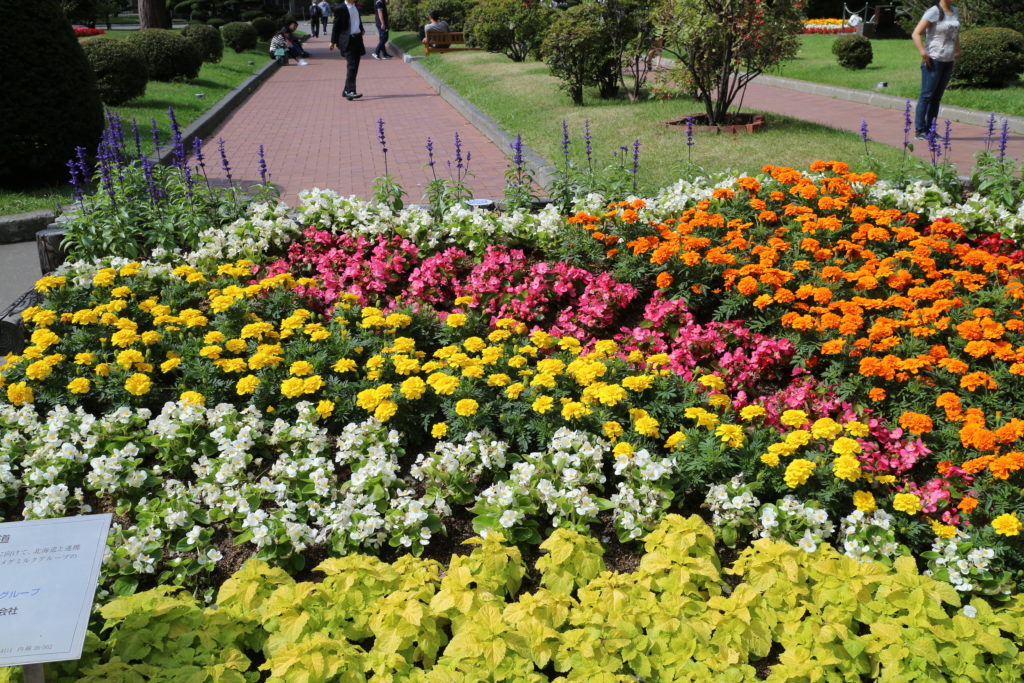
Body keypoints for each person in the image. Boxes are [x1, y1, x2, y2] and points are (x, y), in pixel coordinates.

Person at [911, 0, 960, 140]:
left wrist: (957, 51)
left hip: (948, 60)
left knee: (936, 98)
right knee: (926, 96)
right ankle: (920, 131)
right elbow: (916, 33)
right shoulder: (934, 11)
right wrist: (922, 52)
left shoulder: (955, 11)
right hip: (933, 59)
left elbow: (955, 33)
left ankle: (931, 129)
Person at [331, 0, 366, 100]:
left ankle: (346, 91)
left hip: (357, 39)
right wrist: (332, 41)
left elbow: (357, 20)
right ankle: (350, 91)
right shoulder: (340, 8)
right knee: (352, 65)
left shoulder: (356, 7)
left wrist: (361, 29)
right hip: (347, 40)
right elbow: (336, 26)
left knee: (355, 66)